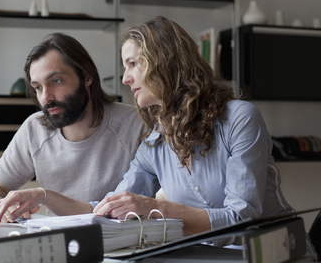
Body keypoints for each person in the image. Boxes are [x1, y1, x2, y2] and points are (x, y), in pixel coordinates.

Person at [92, 16, 317, 259]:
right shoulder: (155, 142)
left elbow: (241, 219)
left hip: (276, 255)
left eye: (133, 63)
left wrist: (157, 208)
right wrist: (48, 198)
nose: (125, 78)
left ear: (165, 61)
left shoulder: (240, 118)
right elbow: (111, 206)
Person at [0, 33, 145, 225]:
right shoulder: (34, 129)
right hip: (57, 245)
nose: (45, 97)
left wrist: (44, 196)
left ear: (86, 76)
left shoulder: (136, 125)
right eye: (38, 87)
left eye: (56, 81)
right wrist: (0, 207)